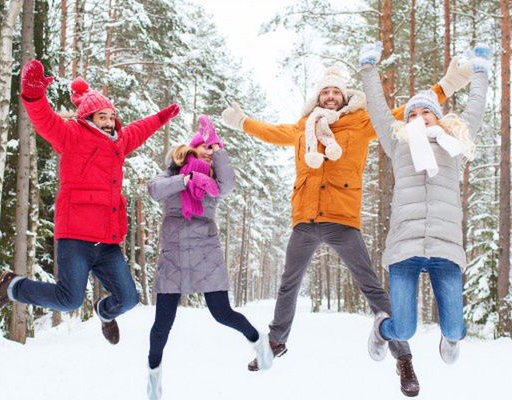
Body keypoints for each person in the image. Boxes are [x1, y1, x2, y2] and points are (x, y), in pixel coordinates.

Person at [221, 64, 470, 397]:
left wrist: (446, 85)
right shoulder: (302, 127)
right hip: (306, 219)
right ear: (318, 97)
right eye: (325, 92)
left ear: (344, 97)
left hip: (343, 219)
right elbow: (270, 132)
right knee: (288, 285)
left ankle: (404, 358)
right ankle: (276, 342)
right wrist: (242, 122)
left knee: (372, 288)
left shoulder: (361, 122)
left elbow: (405, 110)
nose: (330, 96)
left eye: (335, 92)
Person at [0, 59, 180, 346]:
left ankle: (104, 312)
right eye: (102, 116)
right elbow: (44, 120)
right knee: (69, 300)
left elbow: (140, 128)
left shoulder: (119, 141)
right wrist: (34, 95)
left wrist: (163, 117)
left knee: (128, 299)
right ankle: (11, 287)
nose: (109, 121)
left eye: (111, 116)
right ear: (88, 117)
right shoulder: (71, 135)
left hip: (107, 240)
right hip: (76, 236)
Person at [359, 42, 490, 364]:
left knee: (456, 327)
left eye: (425, 112)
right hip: (405, 247)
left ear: (438, 117)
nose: (419, 117)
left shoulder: (453, 143)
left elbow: (476, 107)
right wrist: (368, 68)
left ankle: (452, 337)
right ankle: (381, 330)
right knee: (402, 329)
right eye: (412, 114)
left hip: (446, 247)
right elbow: (377, 108)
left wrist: (481, 71)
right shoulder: (398, 144)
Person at [145, 116, 273, 399]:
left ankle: (258, 341)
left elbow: (228, 184)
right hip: (174, 256)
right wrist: (186, 178)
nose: (208, 151)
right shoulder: (171, 175)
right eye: (204, 146)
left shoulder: (213, 185)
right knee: (162, 324)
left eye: (212, 148)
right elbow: (153, 189)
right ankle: (154, 377)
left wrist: (220, 152)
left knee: (222, 313)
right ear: (190, 149)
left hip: (206, 255)